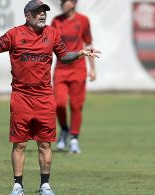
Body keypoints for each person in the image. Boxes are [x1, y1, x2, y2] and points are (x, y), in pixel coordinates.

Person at [0, 1, 100, 194]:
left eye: (44, 11)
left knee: (44, 143)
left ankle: (45, 185)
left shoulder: (52, 33)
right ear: (27, 15)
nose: (42, 15)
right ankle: (18, 185)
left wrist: (79, 53)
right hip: (21, 97)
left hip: (45, 97)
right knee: (19, 143)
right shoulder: (14, 34)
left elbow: (63, 56)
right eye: (37, 12)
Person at [51, 0, 96, 153]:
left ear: (74, 3)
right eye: (62, 1)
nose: (63, 3)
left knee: (76, 106)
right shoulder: (56, 21)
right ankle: (64, 129)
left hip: (78, 68)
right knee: (59, 103)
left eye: (66, 0)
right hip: (61, 69)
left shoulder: (83, 20)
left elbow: (88, 44)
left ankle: (74, 139)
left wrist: (93, 69)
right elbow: (50, 44)